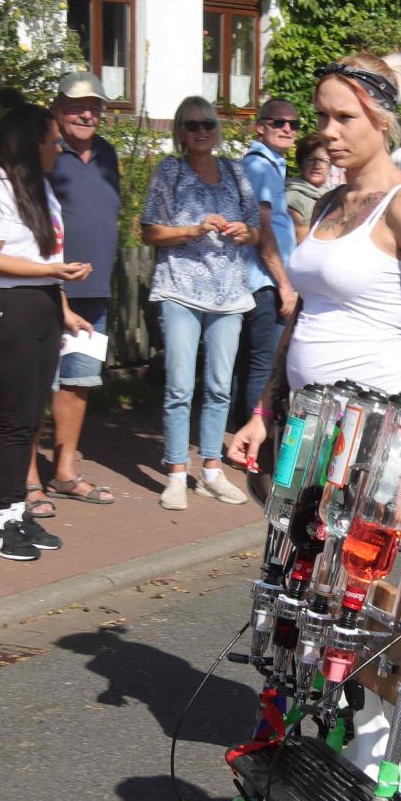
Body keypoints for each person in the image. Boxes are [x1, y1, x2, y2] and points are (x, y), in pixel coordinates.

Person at [224, 51, 401, 469]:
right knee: (293, 535)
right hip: (305, 422)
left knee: (349, 537)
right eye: (322, 117)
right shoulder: (328, 203)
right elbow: (304, 310)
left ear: (382, 119)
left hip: (378, 430)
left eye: (345, 118)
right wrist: (263, 411)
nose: (328, 133)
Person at [0, 88, 91, 562]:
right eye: (53, 140)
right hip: (4, 310)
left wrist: (63, 305)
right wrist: (50, 274)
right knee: (14, 419)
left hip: (39, 306)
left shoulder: (41, 190)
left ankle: (17, 512)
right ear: (30, 141)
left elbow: (45, 257)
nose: (59, 148)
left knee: (30, 417)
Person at [139, 96, 260, 511]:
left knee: (219, 386)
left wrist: (245, 232)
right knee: (178, 386)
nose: (201, 130)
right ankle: (176, 472)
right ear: (181, 131)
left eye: (207, 122)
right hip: (179, 290)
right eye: (192, 125)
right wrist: (192, 229)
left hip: (228, 294)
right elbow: (149, 233)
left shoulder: (235, 171)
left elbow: (257, 232)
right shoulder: (169, 172)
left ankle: (211, 469)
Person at [36, 70, 124, 514]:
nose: (88, 113)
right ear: (57, 107)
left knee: (79, 381)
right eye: (76, 106)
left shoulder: (107, 153)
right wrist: (54, 284)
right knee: (36, 384)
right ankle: (27, 481)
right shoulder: (48, 151)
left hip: (94, 294)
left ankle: (64, 472)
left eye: (95, 106)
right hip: (48, 291)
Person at [237, 96, 301, 422]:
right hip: (265, 281)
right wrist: (285, 285)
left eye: (294, 124)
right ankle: (254, 443)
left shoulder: (268, 165)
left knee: (253, 361)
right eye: (279, 122)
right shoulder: (261, 166)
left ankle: (242, 433)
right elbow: (262, 230)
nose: (288, 129)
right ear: (260, 127)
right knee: (265, 363)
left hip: (263, 280)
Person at [285, 133, 330, 244]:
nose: (317, 165)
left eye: (323, 160)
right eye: (311, 159)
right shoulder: (293, 196)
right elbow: (299, 239)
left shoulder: (331, 194)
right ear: (301, 163)